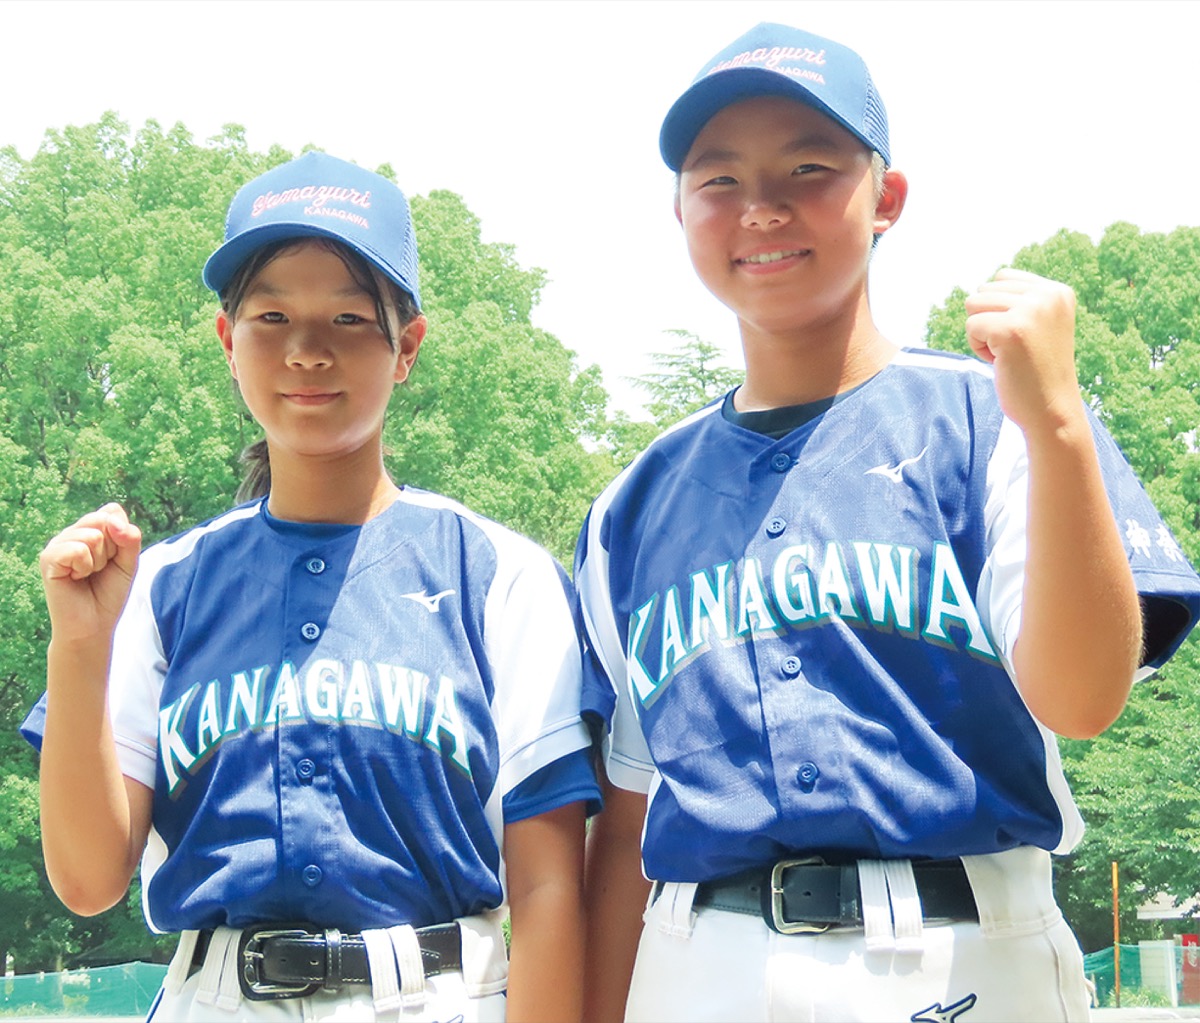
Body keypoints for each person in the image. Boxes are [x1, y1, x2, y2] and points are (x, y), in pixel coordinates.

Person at [574, 22, 1200, 1023]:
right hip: (699, 962)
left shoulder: (997, 420)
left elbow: (1082, 699)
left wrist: (1060, 427)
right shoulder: (631, 506)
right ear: (682, 210)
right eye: (719, 179)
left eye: (809, 167)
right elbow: (629, 811)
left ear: (887, 199)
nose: (761, 208)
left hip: (963, 953)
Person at [22, 151, 597, 1023]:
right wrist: (80, 645)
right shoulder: (164, 584)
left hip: (441, 992)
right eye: (273, 314)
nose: (306, 350)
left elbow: (551, 890)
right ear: (228, 341)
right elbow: (89, 877)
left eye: (349, 318)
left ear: (407, 345)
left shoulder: (498, 572)